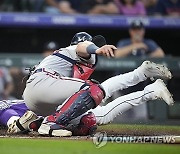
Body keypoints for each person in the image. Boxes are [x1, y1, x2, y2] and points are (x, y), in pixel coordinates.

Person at [6, 32, 173, 137]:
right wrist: (96, 49)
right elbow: (82, 46)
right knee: (94, 91)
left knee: (91, 119)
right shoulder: (74, 50)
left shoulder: (65, 60)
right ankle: (50, 124)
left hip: (40, 100)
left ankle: (34, 122)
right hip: (44, 83)